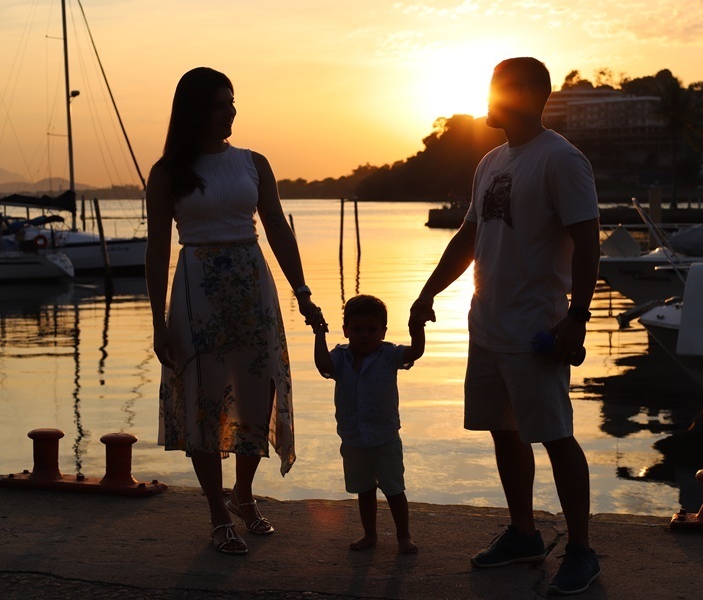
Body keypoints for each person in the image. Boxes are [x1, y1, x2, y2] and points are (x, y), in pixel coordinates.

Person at [409, 57, 602, 595]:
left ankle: (583, 550)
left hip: (536, 327)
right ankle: (524, 533)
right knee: (504, 429)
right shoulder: (492, 160)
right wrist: (427, 293)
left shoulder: (561, 160)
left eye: (496, 88)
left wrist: (577, 319)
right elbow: (470, 236)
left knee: (556, 435)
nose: (487, 97)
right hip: (487, 323)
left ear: (524, 93)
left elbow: (588, 242)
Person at [145, 67, 324, 555]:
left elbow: (278, 231)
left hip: (251, 283)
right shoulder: (167, 173)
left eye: (233, 101)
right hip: (196, 287)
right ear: (197, 111)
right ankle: (217, 513)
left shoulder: (253, 162)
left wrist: (303, 291)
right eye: (222, 103)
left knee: (256, 393)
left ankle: (243, 494)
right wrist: (158, 323)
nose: (232, 111)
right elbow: (157, 250)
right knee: (202, 398)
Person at [313, 294, 423, 554]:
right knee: (364, 490)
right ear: (346, 330)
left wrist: (417, 329)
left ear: (383, 331)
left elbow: (415, 352)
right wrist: (319, 335)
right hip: (353, 439)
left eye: (372, 330)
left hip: (385, 438)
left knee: (394, 490)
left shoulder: (389, 355)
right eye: (358, 329)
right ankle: (370, 534)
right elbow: (323, 365)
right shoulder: (340, 356)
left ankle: (403, 536)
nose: (365, 335)